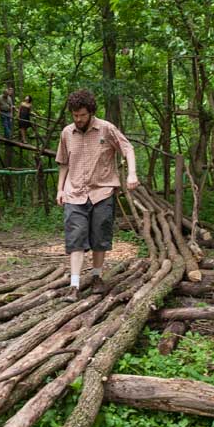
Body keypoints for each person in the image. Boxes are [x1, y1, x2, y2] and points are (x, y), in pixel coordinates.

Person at [55, 89, 139, 299]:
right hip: (74, 193)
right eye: (75, 115)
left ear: (90, 112)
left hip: (102, 191)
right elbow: (63, 163)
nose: (78, 119)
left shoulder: (106, 129)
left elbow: (127, 148)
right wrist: (59, 189)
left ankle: (96, 277)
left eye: (82, 115)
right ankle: (74, 286)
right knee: (75, 238)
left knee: (99, 237)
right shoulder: (67, 133)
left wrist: (132, 173)